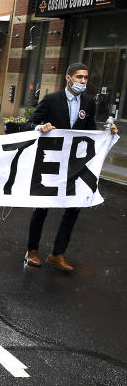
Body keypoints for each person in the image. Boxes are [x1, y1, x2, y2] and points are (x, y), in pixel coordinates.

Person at [24, 62, 117, 271]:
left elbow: (90, 133)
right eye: (79, 77)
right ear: (68, 78)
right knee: (42, 207)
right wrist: (41, 126)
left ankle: (57, 254)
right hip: (51, 163)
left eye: (85, 78)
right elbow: (28, 124)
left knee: (73, 209)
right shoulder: (51, 100)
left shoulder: (89, 103)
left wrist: (107, 134)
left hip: (74, 165)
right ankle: (32, 251)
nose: (83, 82)